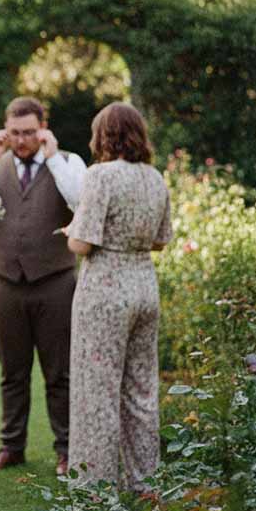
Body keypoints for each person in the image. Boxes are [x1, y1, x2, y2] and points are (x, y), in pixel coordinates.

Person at [0, 96, 87, 476]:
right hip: (4, 283)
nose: (21, 140)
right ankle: (11, 446)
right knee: (11, 371)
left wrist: (51, 158)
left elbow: (81, 202)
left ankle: (66, 450)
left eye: (29, 132)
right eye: (14, 133)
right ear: (5, 130)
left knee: (59, 373)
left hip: (55, 281)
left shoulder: (69, 163)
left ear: (44, 128)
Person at [65, 102, 171, 489]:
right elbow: (160, 241)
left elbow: (82, 243)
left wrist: (71, 230)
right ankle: (145, 485)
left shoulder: (100, 175)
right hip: (144, 285)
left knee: (97, 391)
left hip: (105, 290)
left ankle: (93, 490)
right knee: (142, 390)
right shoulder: (155, 178)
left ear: (103, 136)